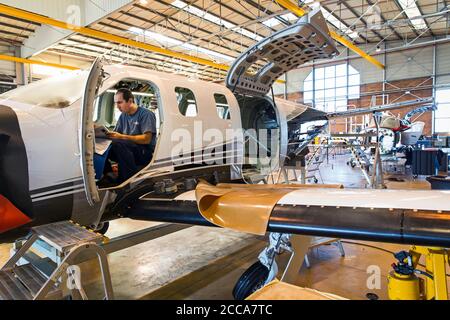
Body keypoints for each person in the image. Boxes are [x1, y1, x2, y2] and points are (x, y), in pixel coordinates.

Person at [104, 88, 157, 183]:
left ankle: (127, 180)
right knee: (104, 146)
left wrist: (121, 137)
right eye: (116, 103)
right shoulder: (123, 116)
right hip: (128, 149)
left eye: (120, 102)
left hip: (144, 152)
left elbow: (146, 139)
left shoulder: (146, 114)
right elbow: (117, 135)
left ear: (130, 101)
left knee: (119, 144)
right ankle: (107, 175)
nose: (117, 106)